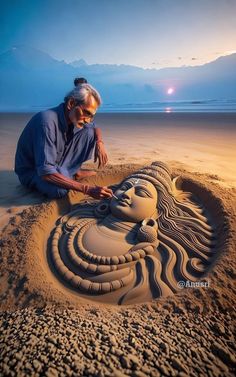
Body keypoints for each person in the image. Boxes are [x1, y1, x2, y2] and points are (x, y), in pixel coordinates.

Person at [14, 78, 113, 199]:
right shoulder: (46, 122)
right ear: (71, 104)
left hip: (55, 162)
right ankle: (69, 174)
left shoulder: (73, 117)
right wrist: (87, 189)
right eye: (86, 113)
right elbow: (45, 172)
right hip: (34, 171)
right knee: (60, 191)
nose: (88, 119)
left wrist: (99, 143)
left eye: (91, 116)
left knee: (89, 131)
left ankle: (72, 172)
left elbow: (94, 127)